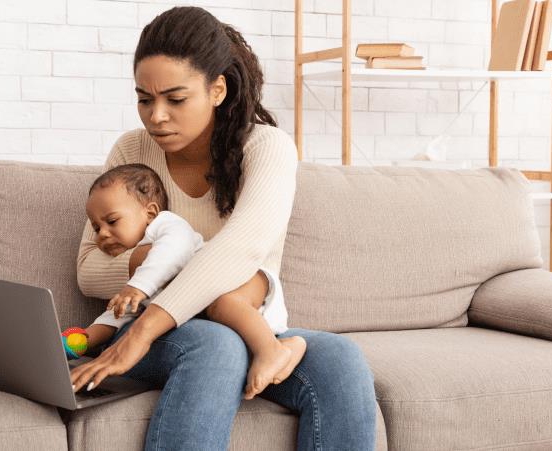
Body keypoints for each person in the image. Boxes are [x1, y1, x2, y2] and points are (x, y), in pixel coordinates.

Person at [70, 6, 377, 450]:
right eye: (144, 98)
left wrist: (155, 291)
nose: (156, 116)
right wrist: (162, 266)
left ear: (217, 89)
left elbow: (242, 251)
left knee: (340, 360)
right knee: (215, 344)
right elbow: (89, 269)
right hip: (179, 336)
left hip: (226, 326)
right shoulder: (131, 152)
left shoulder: (266, 149)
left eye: (175, 99)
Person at [67, 163, 306, 399]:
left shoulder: (165, 227)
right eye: (97, 228)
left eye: (112, 221)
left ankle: (271, 350)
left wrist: (137, 287)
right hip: (237, 313)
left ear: (149, 213)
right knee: (224, 327)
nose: (103, 234)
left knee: (221, 304)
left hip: (244, 280)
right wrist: (81, 341)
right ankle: (285, 346)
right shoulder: (137, 287)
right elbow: (115, 317)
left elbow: (173, 252)